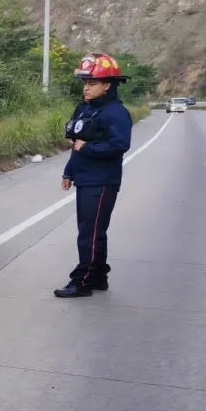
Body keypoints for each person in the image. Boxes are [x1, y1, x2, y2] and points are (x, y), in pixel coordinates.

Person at [54, 53, 133, 299]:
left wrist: (87, 149)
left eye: (92, 84)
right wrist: (69, 171)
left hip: (102, 182)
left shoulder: (116, 113)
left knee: (90, 233)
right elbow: (77, 142)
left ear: (107, 85)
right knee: (93, 230)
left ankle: (82, 281)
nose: (86, 89)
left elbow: (119, 145)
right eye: (85, 84)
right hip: (85, 179)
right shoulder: (84, 109)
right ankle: (98, 276)